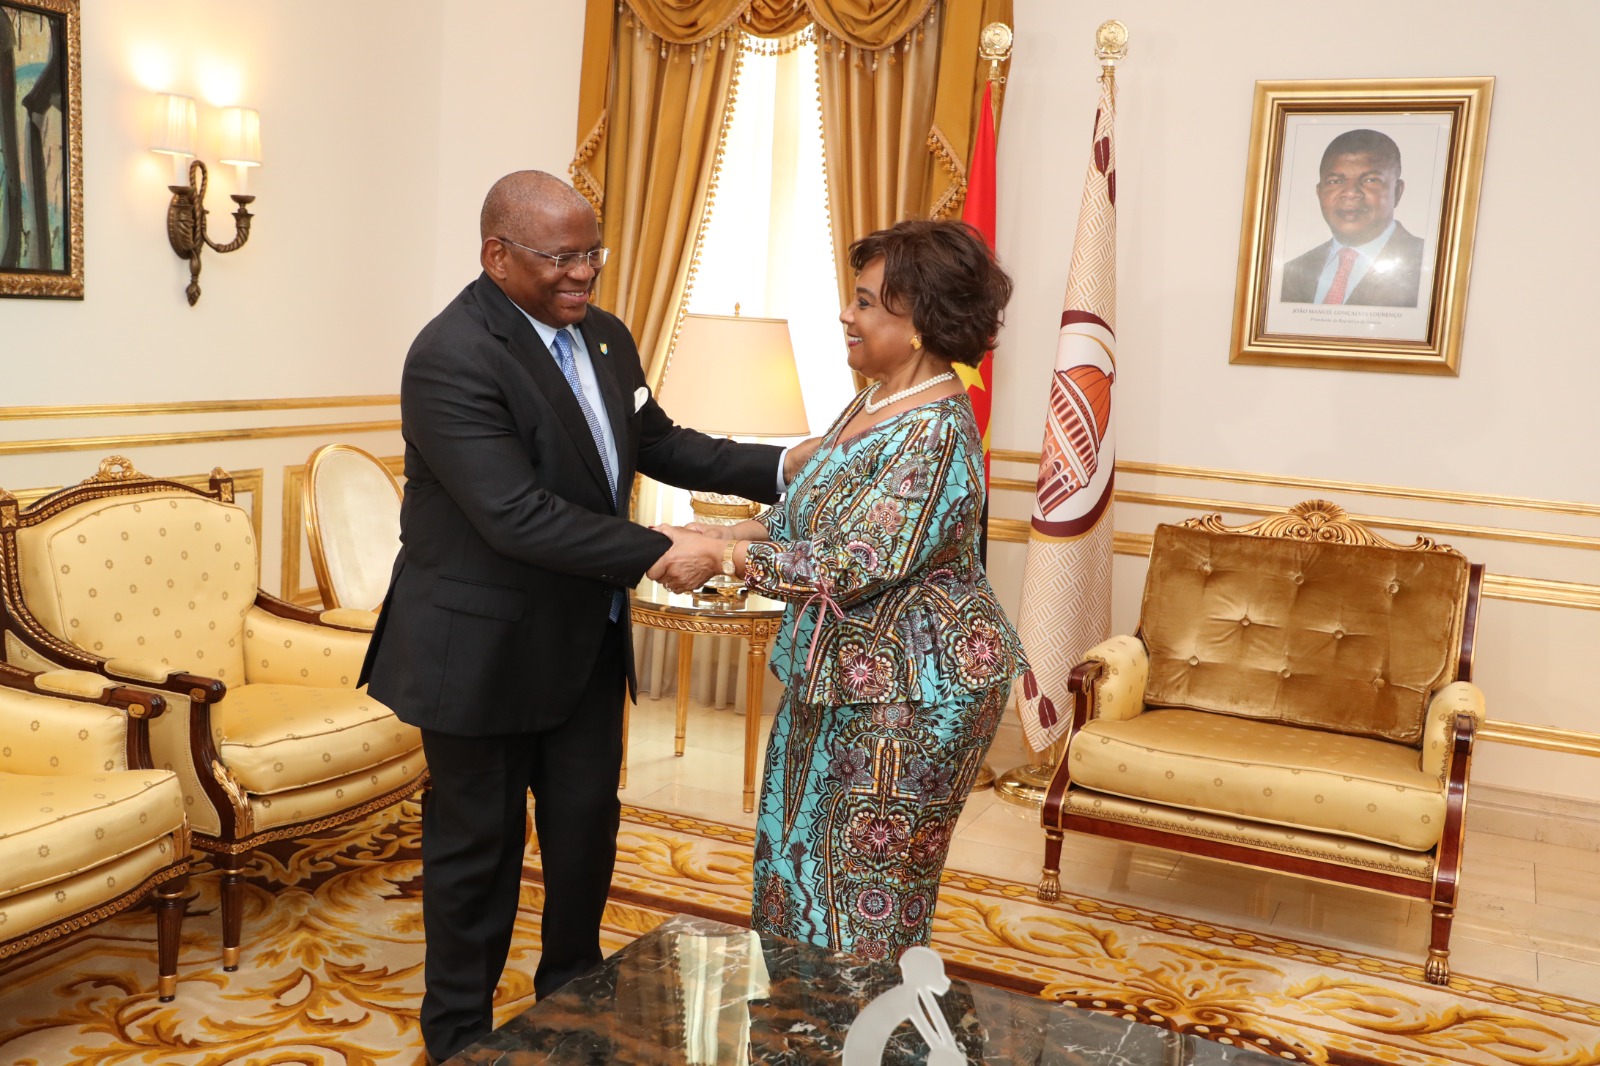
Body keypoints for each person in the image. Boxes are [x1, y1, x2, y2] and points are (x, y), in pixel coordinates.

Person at [359, 170, 816, 1063]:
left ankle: (570, 1006)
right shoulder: (451, 353)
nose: (584, 273)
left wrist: (784, 465)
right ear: (497, 255)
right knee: (477, 856)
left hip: (584, 643)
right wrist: (659, 549)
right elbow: (514, 514)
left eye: (593, 253)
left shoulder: (604, 336)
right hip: (479, 655)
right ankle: (459, 1036)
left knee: (584, 835)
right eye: (561, 257)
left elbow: (661, 442)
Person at [653, 219, 1028, 960]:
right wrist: (717, 534)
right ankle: (801, 1012)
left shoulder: (935, 430)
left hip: (913, 696)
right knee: (795, 872)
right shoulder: (874, 401)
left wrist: (721, 559)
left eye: (864, 302)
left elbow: (853, 562)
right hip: (841, 679)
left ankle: (861, 1020)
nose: (845, 315)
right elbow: (806, 515)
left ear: (918, 320)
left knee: (862, 898)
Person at [1280, 128, 1426, 308]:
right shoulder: (1289, 274)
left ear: (1396, 192)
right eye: (1335, 181)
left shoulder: (1428, 266)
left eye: (1370, 180)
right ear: (1320, 193)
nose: (1350, 192)